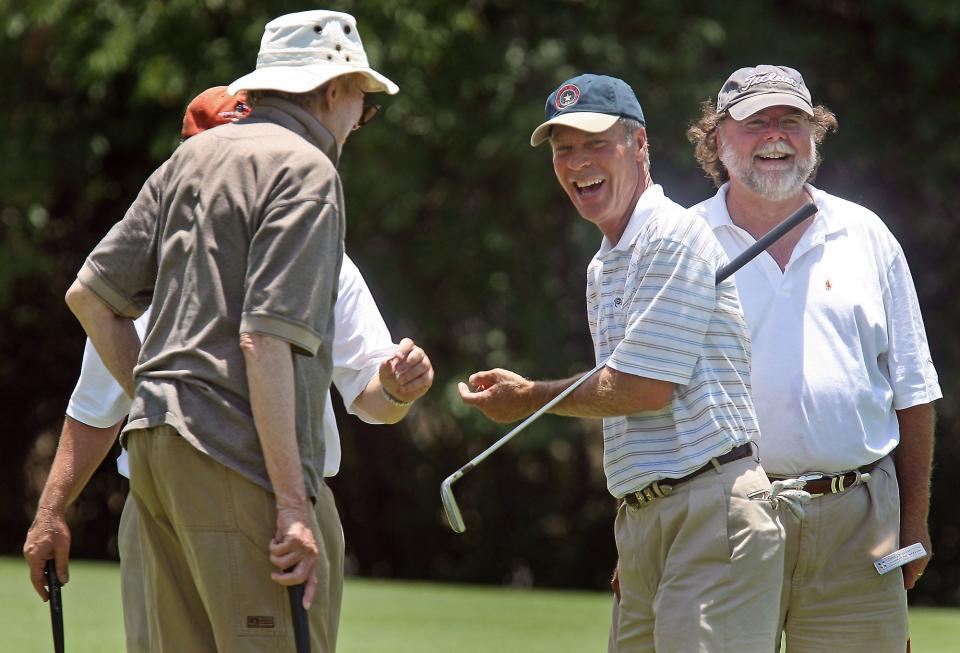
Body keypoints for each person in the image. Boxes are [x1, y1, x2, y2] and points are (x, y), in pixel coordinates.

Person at [23, 86, 432, 653]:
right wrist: (51, 512)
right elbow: (95, 411)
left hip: (273, 493)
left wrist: (393, 387)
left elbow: (370, 394)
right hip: (175, 504)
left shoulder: (320, 254)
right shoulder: (153, 264)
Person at [459, 73, 786, 653]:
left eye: (595, 144)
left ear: (639, 146)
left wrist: (528, 398)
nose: (577, 162)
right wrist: (638, 529)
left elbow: (641, 389)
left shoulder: (671, 235)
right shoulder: (604, 263)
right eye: (564, 150)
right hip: (650, 516)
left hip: (711, 509)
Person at [687, 64, 941, 652]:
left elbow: (913, 389)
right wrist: (649, 534)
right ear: (717, 140)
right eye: (755, 124)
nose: (775, 136)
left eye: (791, 121)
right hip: (718, 518)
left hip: (858, 523)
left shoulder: (867, 233)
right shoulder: (682, 239)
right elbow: (645, 394)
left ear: (814, 134)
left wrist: (914, 523)